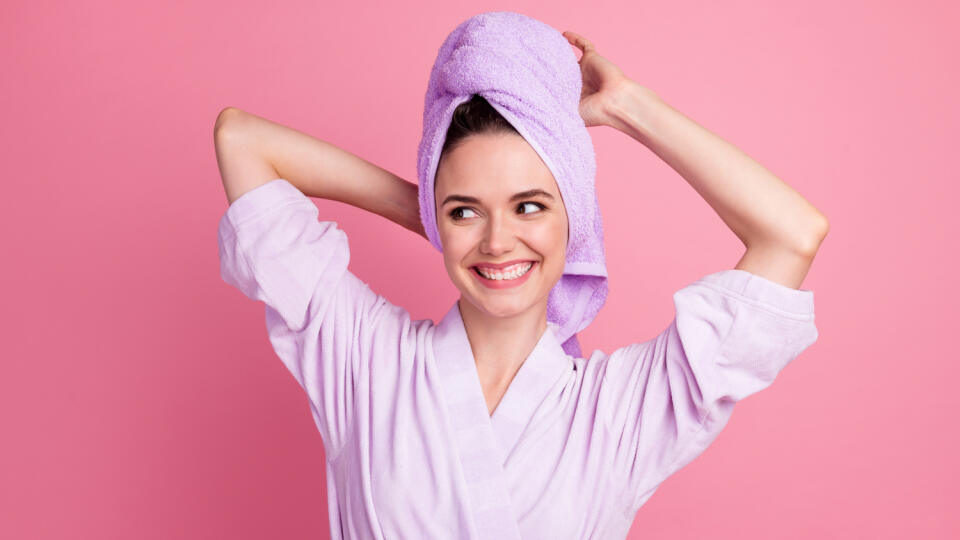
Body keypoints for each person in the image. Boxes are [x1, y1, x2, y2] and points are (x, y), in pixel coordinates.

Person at [213, 24, 827, 540]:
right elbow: (242, 138)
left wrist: (626, 106)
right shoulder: (363, 359)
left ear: (573, 219)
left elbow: (793, 232)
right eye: (466, 210)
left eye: (529, 206)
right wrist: (432, 214)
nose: (498, 242)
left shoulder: (618, 409)